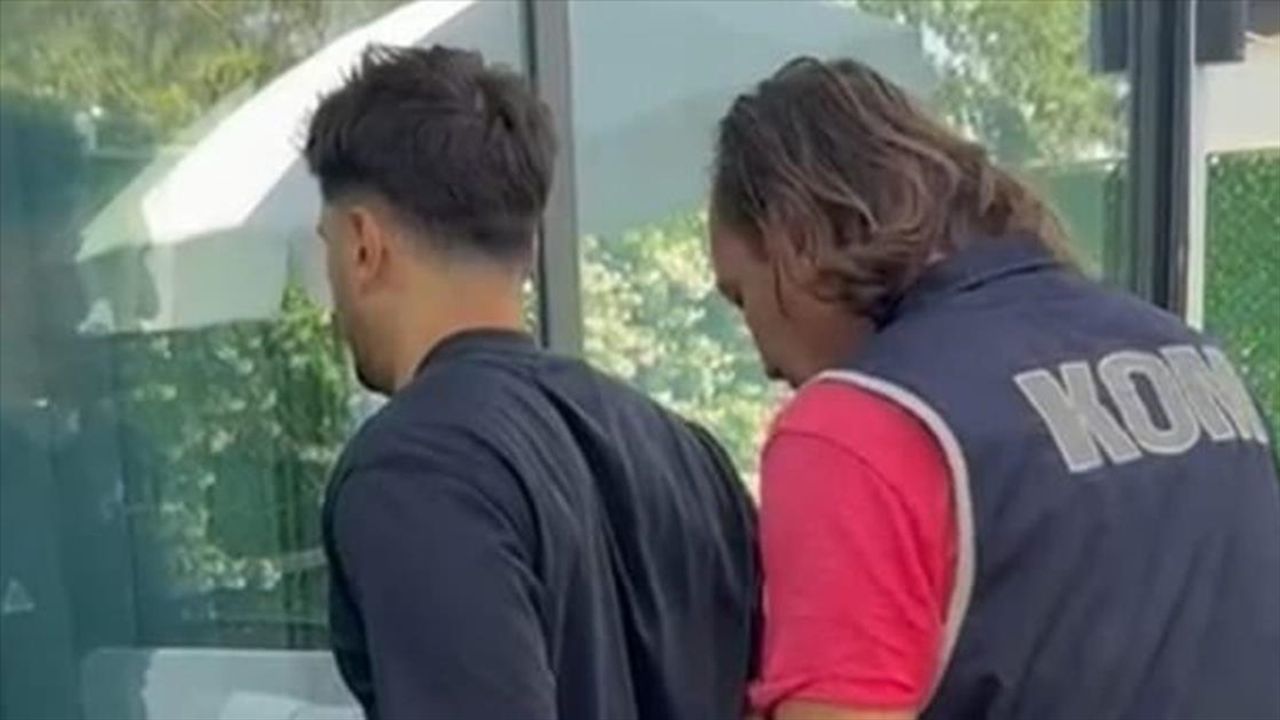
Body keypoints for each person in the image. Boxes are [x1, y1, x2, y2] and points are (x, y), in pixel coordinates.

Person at [708, 57, 1280, 720]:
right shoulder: (1197, 364)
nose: (763, 358)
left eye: (742, 296)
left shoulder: (858, 427)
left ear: (796, 239)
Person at [304, 45, 758, 720]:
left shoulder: (416, 467)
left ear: (363, 243)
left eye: (328, 247)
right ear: (532, 247)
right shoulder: (691, 457)